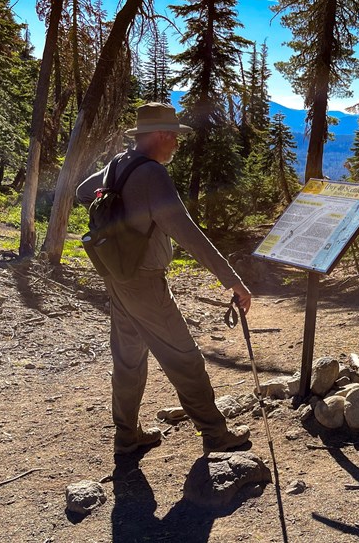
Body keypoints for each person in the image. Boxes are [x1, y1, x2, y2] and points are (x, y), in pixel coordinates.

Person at [76, 102, 252, 456]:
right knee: (184, 357)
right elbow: (188, 234)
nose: (176, 143)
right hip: (144, 282)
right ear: (159, 135)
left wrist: (122, 221)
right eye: (173, 136)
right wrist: (233, 281)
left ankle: (126, 436)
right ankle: (215, 434)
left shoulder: (118, 165)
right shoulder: (152, 174)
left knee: (128, 359)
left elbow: (83, 192)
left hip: (117, 276)